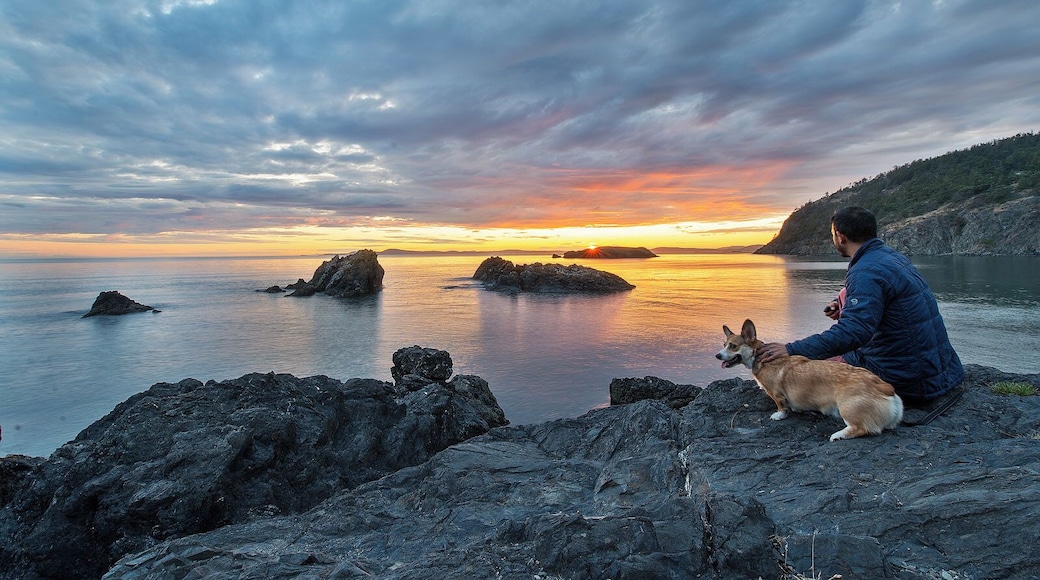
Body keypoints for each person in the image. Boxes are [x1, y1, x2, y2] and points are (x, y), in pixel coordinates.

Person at [757, 206, 964, 405]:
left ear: (840, 236)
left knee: (799, 372)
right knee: (844, 294)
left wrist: (791, 349)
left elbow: (853, 333)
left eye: (832, 235)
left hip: (905, 378)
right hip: (940, 370)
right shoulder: (890, 257)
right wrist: (842, 305)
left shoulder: (865, 272)